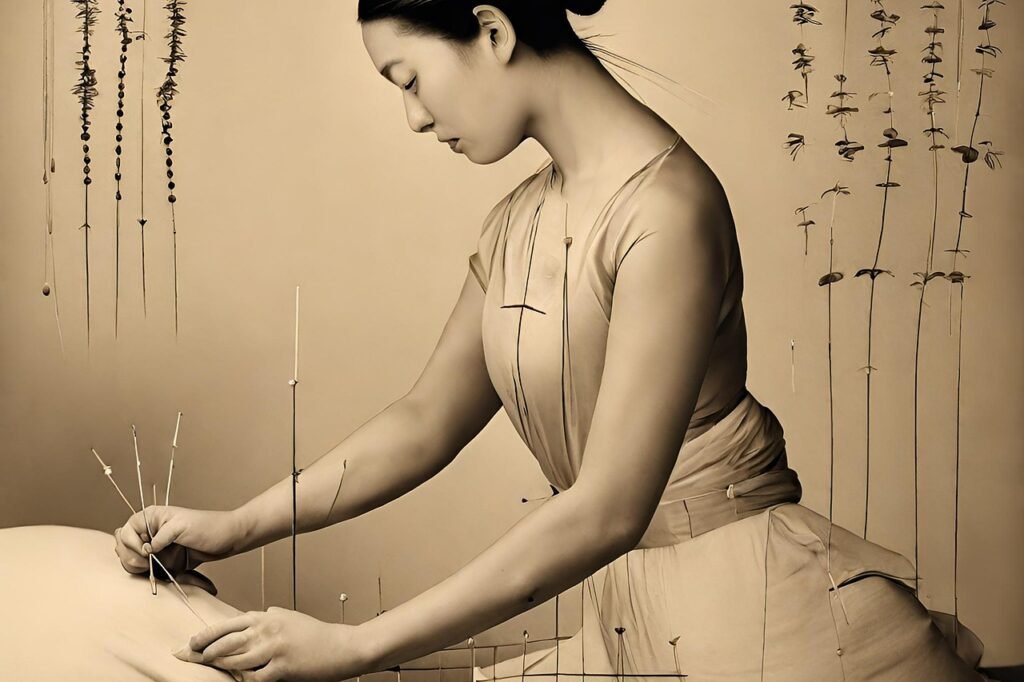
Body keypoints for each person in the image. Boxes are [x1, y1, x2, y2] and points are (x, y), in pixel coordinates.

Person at [114, 2, 995, 681]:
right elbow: (425, 420)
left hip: (764, 621)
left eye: (409, 79)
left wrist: (355, 645)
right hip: (631, 619)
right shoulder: (517, 221)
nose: (415, 120)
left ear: (491, 30)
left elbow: (609, 509)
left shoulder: (668, 210)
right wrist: (232, 526)